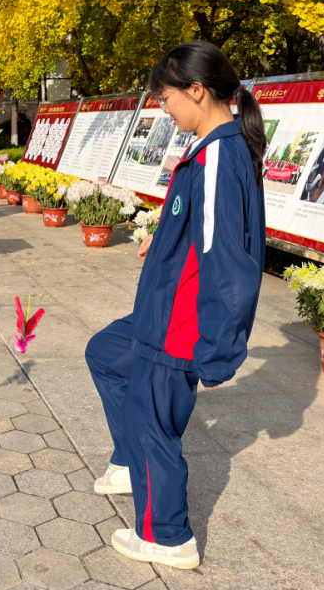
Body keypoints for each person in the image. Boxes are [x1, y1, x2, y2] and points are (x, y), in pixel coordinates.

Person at [85, 41, 266, 570]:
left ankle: (165, 536)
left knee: (153, 424)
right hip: (159, 309)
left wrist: (218, 351)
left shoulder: (217, 158)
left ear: (197, 90)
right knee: (105, 352)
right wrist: (161, 237)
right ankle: (129, 462)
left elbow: (229, 264)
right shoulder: (210, 149)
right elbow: (200, 228)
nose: (163, 108)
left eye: (165, 97)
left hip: (177, 322)